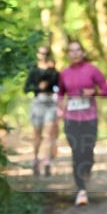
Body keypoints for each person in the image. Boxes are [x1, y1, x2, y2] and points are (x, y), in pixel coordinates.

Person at [57, 40, 107, 205]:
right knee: (76, 153)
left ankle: (86, 172)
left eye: (78, 50)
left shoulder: (92, 70)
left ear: (83, 52)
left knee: (88, 153)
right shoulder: (64, 73)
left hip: (89, 118)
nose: (75, 53)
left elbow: (106, 91)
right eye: (71, 51)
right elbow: (59, 94)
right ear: (68, 54)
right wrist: (60, 106)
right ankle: (81, 191)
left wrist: (93, 91)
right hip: (71, 119)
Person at [24, 46, 60, 176]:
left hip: (51, 103)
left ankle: (47, 162)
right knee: (37, 134)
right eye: (41, 53)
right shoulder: (34, 71)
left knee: (49, 133)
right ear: (38, 54)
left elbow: (59, 87)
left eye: (46, 53)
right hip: (38, 103)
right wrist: (37, 88)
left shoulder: (53, 71)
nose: (43, 55)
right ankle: (35, 159)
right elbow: (26, 88)